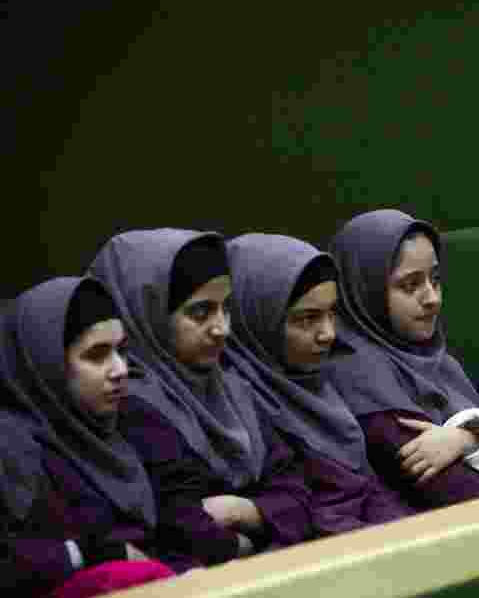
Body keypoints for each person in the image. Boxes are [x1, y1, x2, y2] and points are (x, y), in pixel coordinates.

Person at [89, 230, 315, 566]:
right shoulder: (129, 405)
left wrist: (245, 511)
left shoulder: (234, 389)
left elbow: (301, 495)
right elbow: (186, 531)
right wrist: (253, 538)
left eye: (225, 309)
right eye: (200, 312)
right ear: (148, 312)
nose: (221, 328)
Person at [328, 210, 479, 509]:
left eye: (435, 279)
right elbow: (445, 487)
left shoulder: (437, 363)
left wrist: (466, 439)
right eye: (410, 285)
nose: (432, 298)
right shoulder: (359, 374)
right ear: (365, 289)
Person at [225, 233, 415, 532]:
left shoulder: (318, 381)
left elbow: (369, 489)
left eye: (331, 314)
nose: (328, 333)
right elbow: (307, 515)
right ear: (259, 318)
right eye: (306, 319)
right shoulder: (240, 406)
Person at [1, 277, 177, 596]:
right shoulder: (13, 450)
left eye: (122, 351)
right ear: (47, 362)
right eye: (97, 355)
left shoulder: (129, 419)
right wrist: (92, 553)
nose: (121, 369)